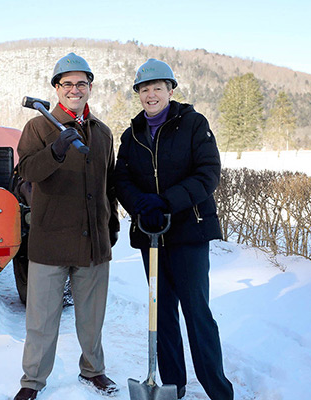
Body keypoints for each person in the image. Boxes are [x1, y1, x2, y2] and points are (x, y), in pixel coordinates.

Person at [114, 59, 234, 400]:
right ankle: (173, 387)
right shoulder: (132, 134)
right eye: (144, 89)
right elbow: (121, 179)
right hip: (151, 236)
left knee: (197, 312)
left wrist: (165, 202)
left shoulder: (194, 124)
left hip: (188, 233)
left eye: (157, 88)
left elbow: (208, 174)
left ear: (170, 90)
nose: (151, 95)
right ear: (138, 94)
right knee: (161, 312)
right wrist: (141, 206)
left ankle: (218, 390)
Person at [13, 52, 120, 400]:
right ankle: (32, 381)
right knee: (42, 320)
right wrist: (55, 151)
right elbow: (26, 173)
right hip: (50, 240)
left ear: (90, 88)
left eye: (81, 83)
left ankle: (93, 370)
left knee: (91, 319)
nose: (75, 89)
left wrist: (112, 226)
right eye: (68, 83)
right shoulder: (38, 127)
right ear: (57, 89)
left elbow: (109, 186)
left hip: (93, 240)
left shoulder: (102, 133)